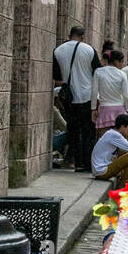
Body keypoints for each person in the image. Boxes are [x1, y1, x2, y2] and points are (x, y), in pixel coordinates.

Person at [53, 24, 99, 173]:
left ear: (69, 35)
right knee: (88, 131)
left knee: (73, 129)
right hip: (87, 96)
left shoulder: (58, 51)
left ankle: (76, 161)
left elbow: (57, 77)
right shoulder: (89, 50)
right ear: (82, 37)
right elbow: (97, 72)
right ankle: (87, 163)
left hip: (69, 97)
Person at [91, 114, 128, 189]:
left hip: (103, 169)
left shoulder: (113, 133)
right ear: (122, 126)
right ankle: (122, 186)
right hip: (102, 171)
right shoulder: (114, 135)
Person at [91, 47, 128, 132]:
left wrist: (93, 108)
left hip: (105, 109)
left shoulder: (98, 72)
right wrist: (127, 110)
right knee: (119, 140)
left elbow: (94, 92)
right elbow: (126, 96)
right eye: (122, 62)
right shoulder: (122, 74)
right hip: (119, 109)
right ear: (116, 61)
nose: (122, 65)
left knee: (104, 138)